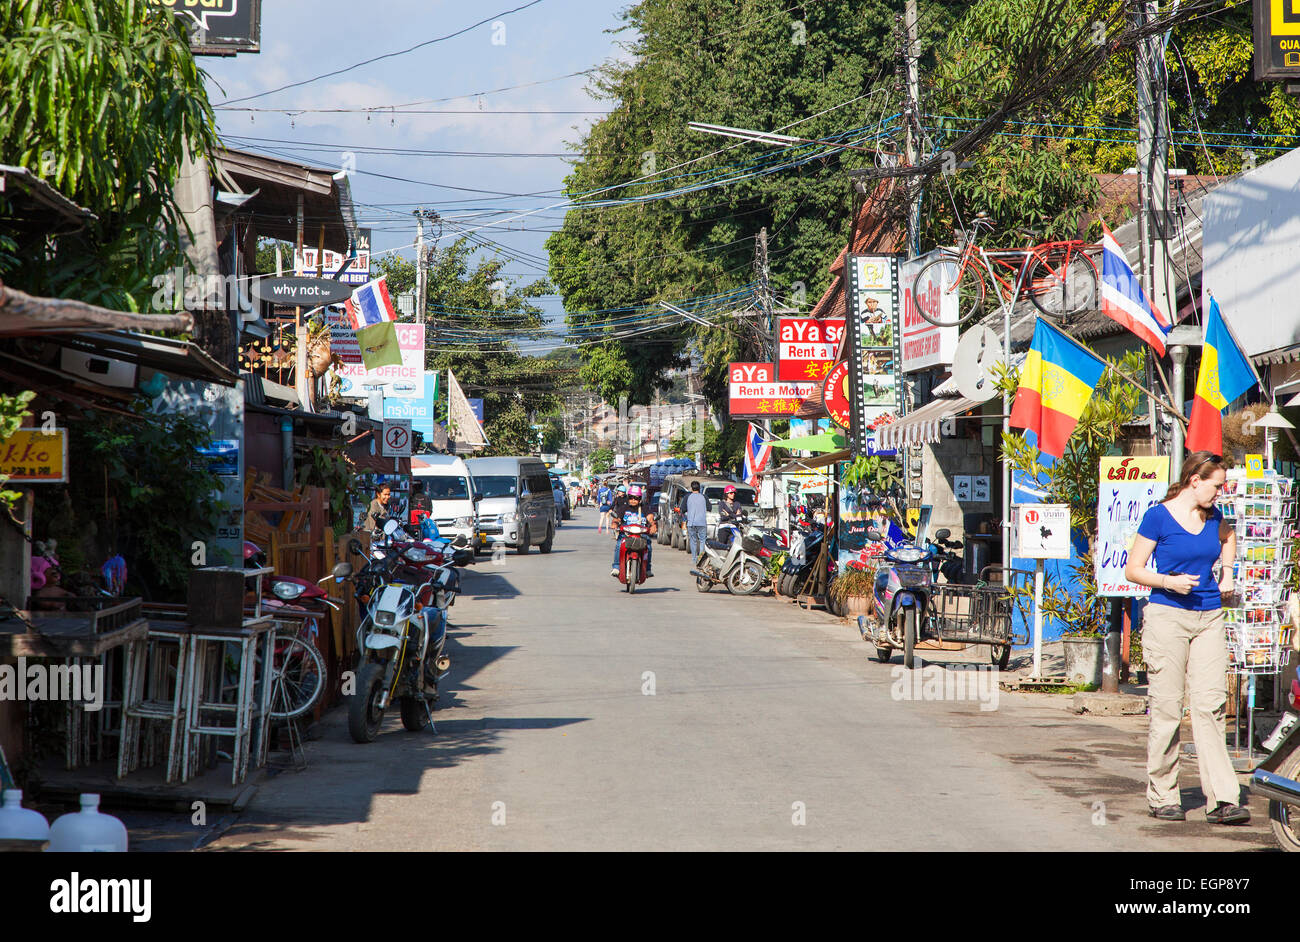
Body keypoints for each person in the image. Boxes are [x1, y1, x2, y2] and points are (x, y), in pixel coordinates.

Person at [1124, 451, 1248, 825]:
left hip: (1209, 616)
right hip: (1167, 617)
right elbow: (1133, 569)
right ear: (1195, 480)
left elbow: (1228, 537)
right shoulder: (1158, 516)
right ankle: (1163, 795)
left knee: (1210, 706)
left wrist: (1226, 573)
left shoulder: (1216, 517)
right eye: (1216, 485)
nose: (1220, 492)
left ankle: (1223, 799)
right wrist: (1168, 581)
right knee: (1167, 707)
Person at [611, 485, 656, 577]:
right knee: (619, 545)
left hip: (642, 535)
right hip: (626, 535)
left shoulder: (644, 508)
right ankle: (616, 567)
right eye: (631, 497)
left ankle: (647, 569)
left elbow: (650, 518)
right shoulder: (624, 508)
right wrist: (615, 523)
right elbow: (617, 517)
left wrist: (653, 525)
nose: (633, 500)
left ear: (640, 499)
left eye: (636, 498)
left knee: (648, 547)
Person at [684, 480, 709, 560]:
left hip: (691, 523)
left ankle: (694, 558)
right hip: (702, 522)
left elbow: (683, 509)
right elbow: (709, 508)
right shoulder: (704, 497)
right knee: (702, 541)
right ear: (699, 489)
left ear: (692, 488)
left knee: (693, 541)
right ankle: (701, 559)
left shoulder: (687, 497)